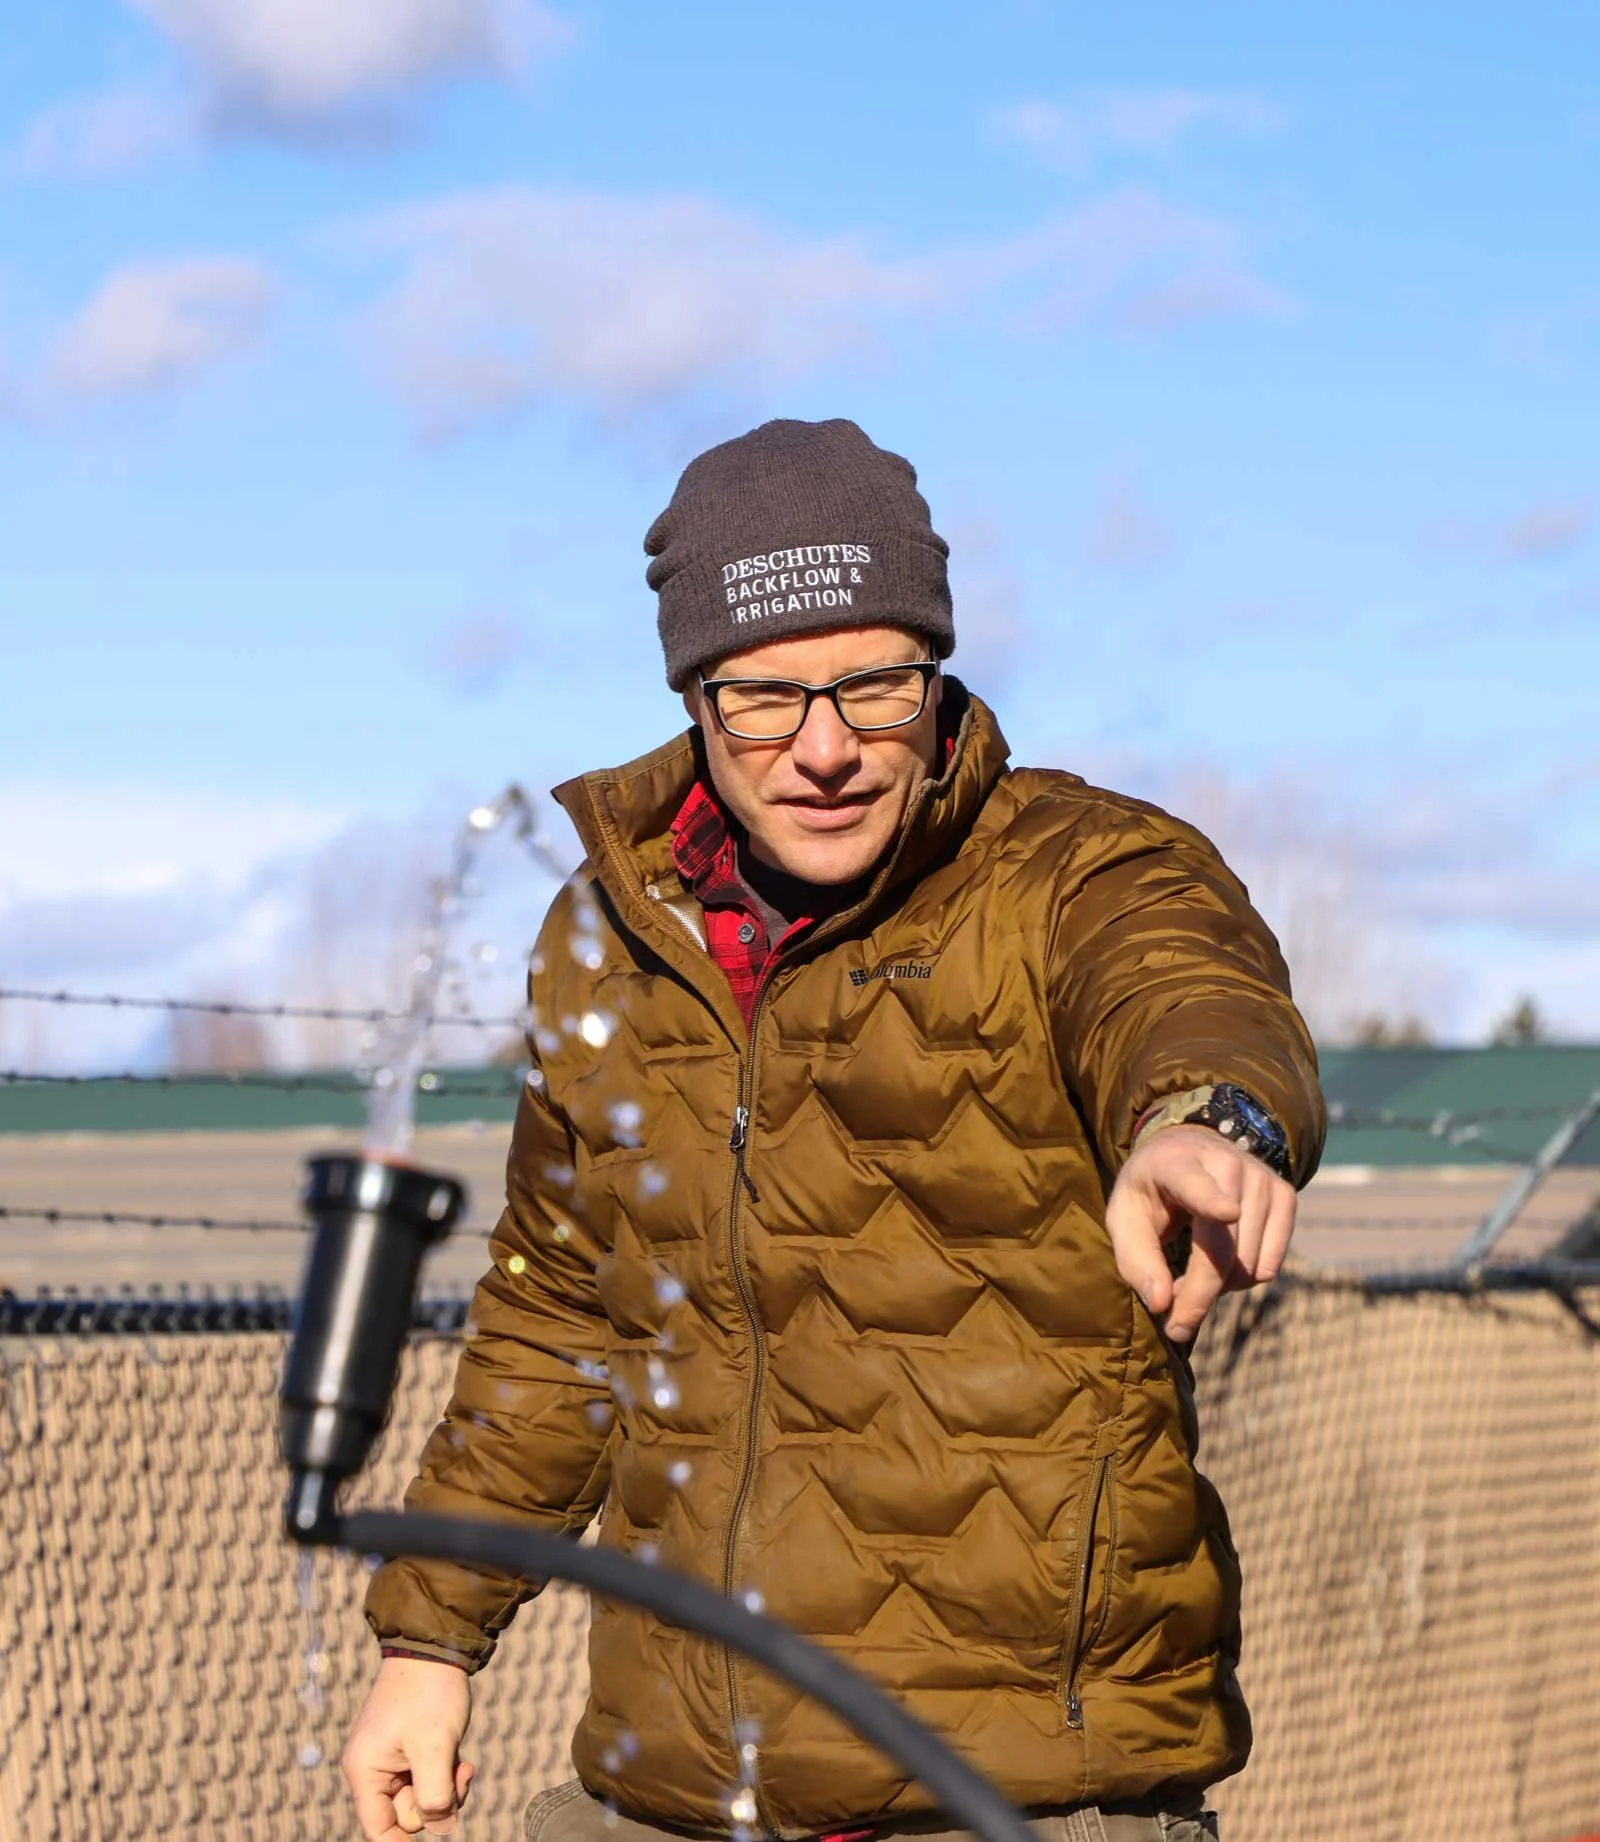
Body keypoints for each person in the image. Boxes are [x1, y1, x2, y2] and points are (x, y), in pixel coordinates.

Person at [344, 419, 1324, 1842]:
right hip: (679, 1788)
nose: (825, 749)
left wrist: (1205, 1120)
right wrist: (427, 1644)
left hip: (1012, 1791)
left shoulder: (1076, 870)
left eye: (876, 687)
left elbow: (1184, 987)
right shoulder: (609, 936)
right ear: (694, 695)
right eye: (764, 697)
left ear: (938, 679)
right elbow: (560, 1315)